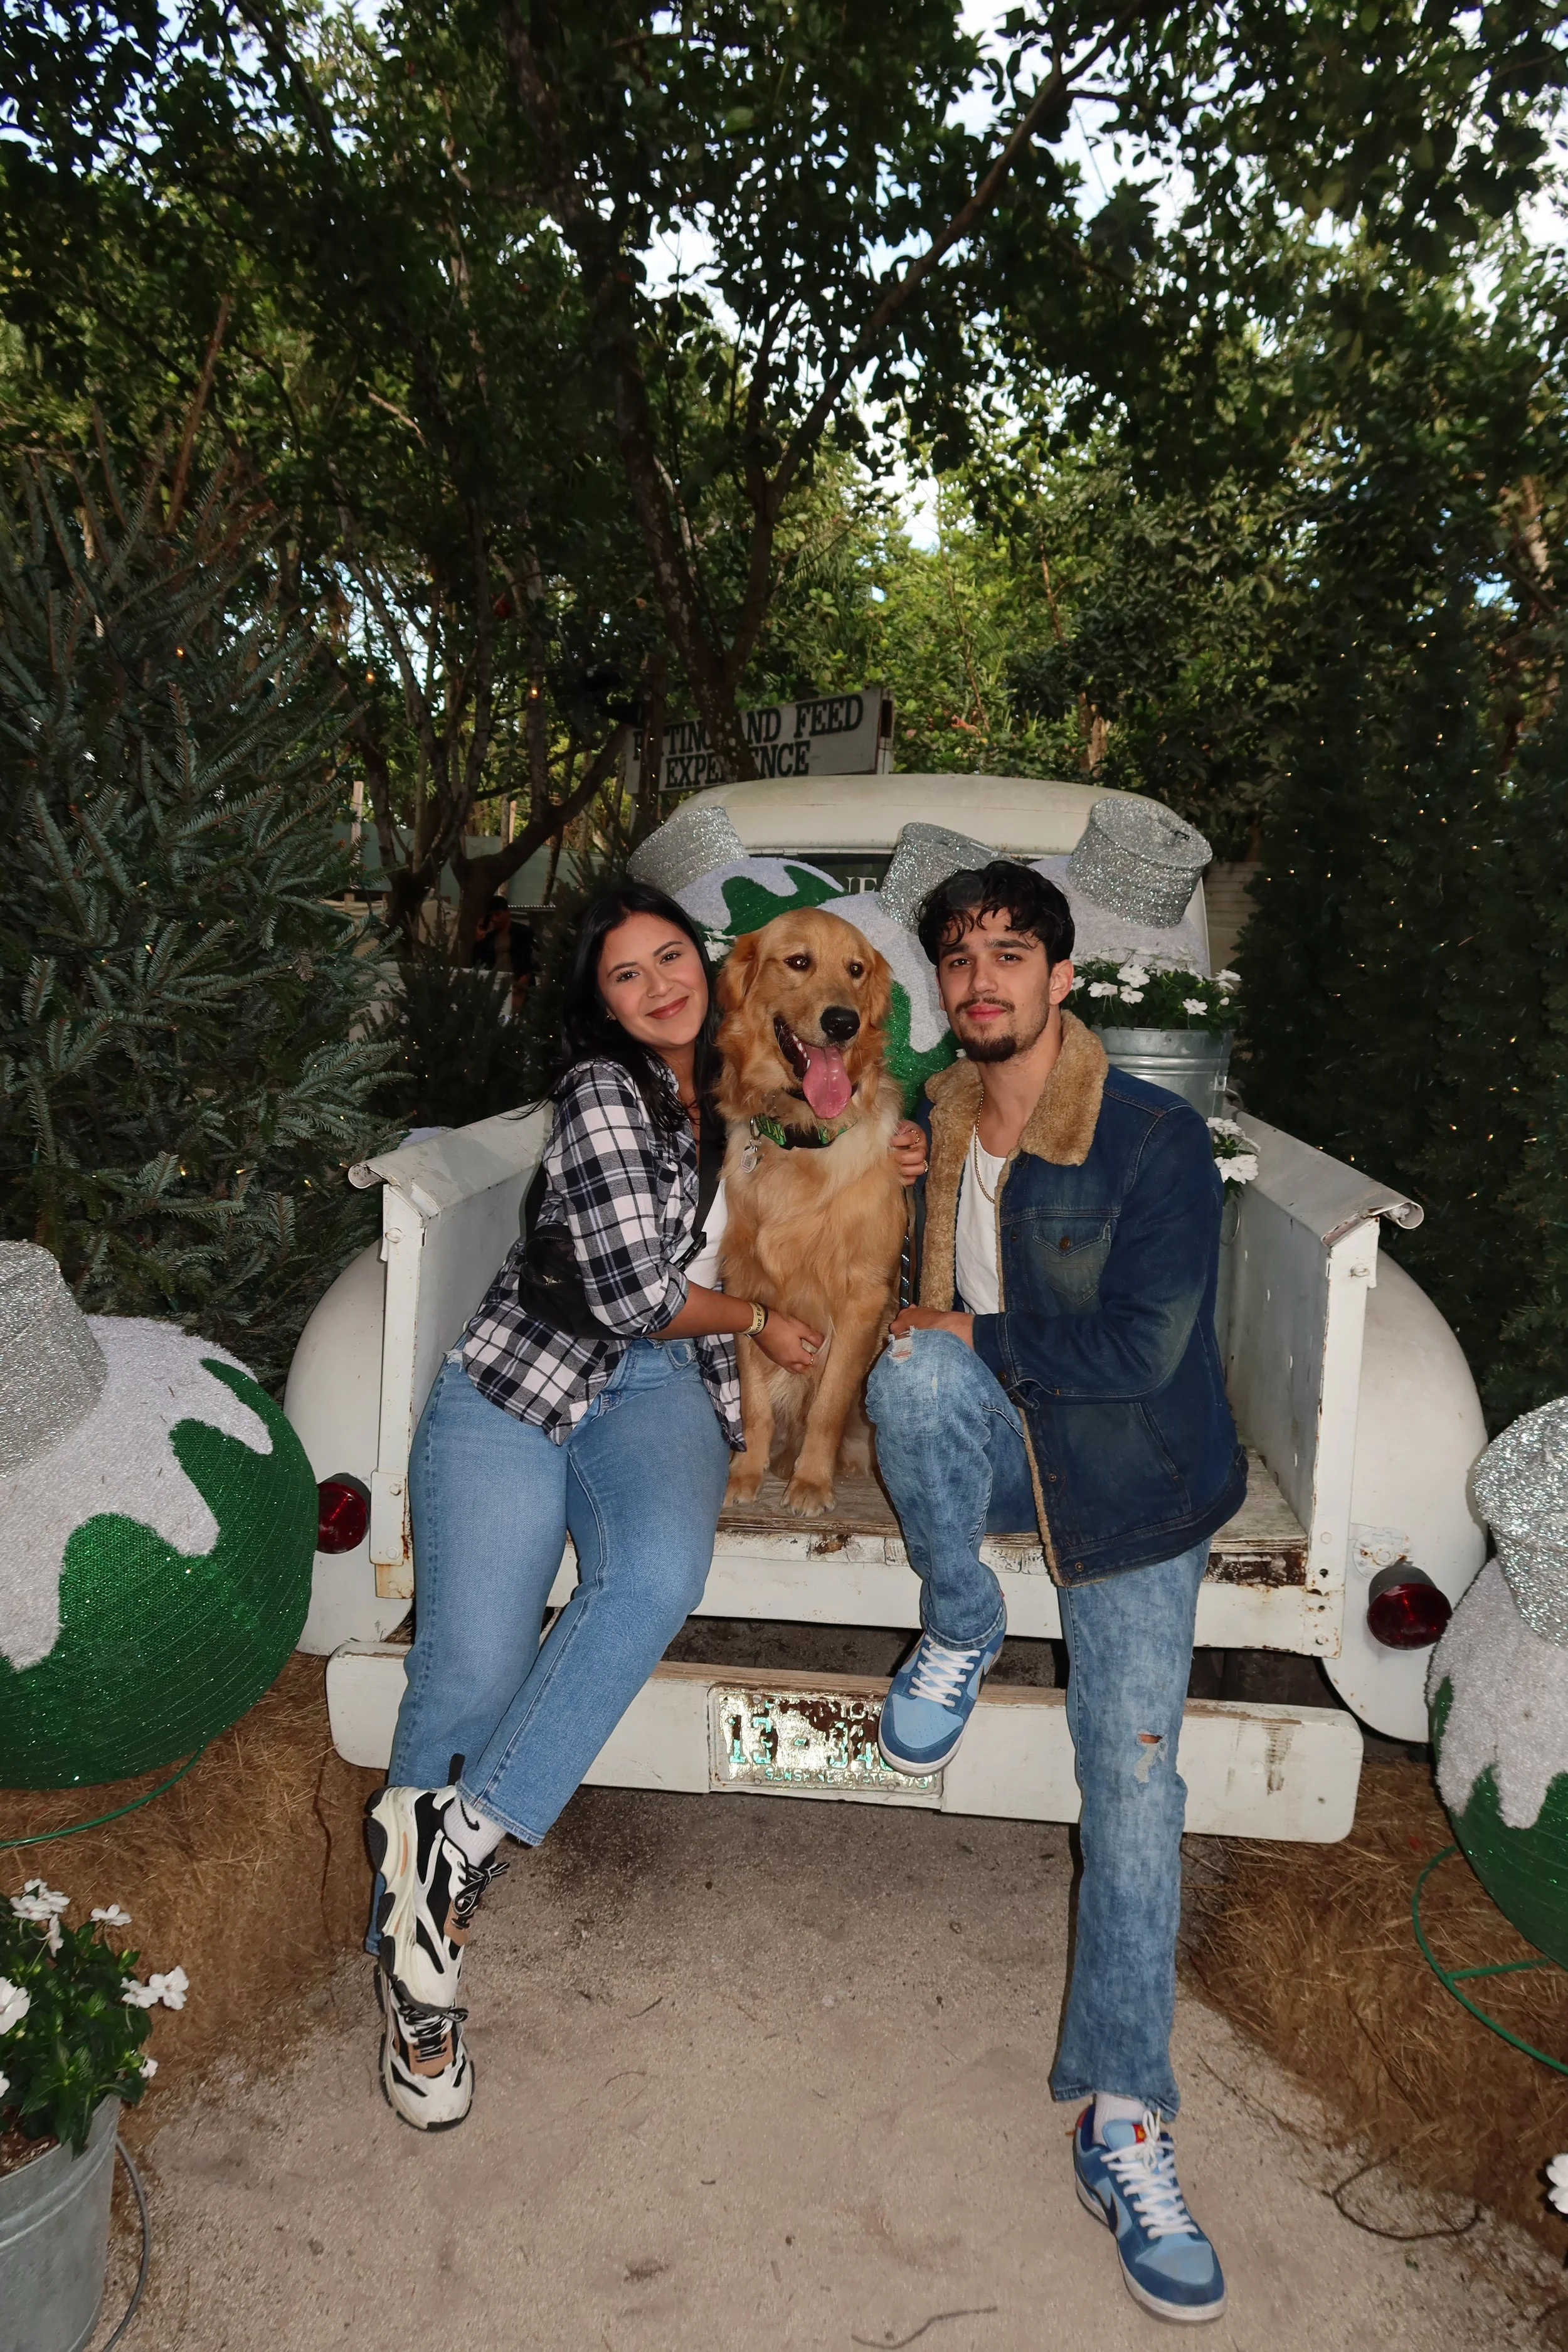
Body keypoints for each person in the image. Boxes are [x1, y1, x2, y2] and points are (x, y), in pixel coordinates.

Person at [363, 879, 827, 2131]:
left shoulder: (747, 1071)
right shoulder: (599, 1093)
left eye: (668, 957)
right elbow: (624, 1295)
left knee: (658, 1572)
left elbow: (834, 1132)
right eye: (624, 975)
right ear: (600, 1002)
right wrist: (756, 1322)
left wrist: (887, 1144)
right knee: (465, 1669)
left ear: (705, 963)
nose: (655, 986)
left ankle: (454, 1836)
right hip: (520, 1375)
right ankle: (421, 1989)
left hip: (659, 1394)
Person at [866, 861, 1246, 2326]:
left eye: (1008, 955)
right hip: (999, 1446)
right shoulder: (940, 1116)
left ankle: (1124, 2121)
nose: (979, 981)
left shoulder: (1148, 1137)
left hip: (1135, 1480)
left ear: (1061, 980)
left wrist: (975, 1326)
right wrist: (885, 1179)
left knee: (1131, 1790)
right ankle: (960, 1621)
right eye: (958, 958)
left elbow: (1148, 1351)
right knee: (909, 1367)